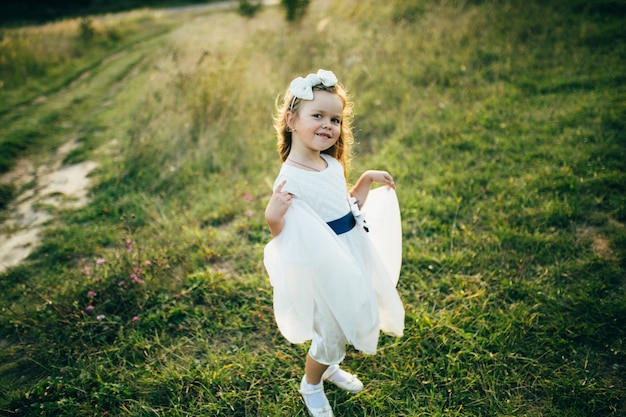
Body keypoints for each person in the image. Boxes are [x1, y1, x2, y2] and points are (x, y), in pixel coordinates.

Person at [263, 69, 405, 417]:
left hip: (350, 251)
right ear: (292, 120)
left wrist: (367, 179)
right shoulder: (290, 177)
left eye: (335, 119)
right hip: (322, 265)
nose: (328, 124)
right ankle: (311, 384)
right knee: (329, 330)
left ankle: (328, 367)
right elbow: (285, 238)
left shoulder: (330, 163)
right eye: (318, 116)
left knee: (347, 317)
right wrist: (272, 215)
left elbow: (346, 206)